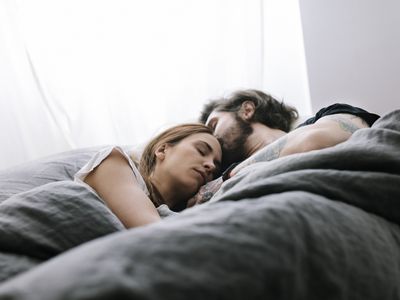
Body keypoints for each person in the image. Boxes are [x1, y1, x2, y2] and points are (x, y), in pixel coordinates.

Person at [188, 89, 380, 206]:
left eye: (213, 125)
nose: (211, 139)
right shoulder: (215, 176)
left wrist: (224, 180)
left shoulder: (325, 116)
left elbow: (314, 143)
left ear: (247, 110)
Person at [75, 123, 222, 229]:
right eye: (201, 150)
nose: (211, 165)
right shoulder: (113, 161)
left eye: (216, 167)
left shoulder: (185, 213)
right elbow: (155, 234)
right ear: (162, 150)